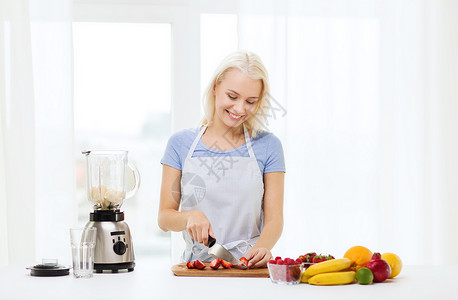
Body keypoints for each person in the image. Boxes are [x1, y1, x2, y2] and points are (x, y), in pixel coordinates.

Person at [158, 50, 285, 268]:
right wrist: (189, 217)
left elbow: (274, 220)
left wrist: (261, 249)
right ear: (215, 87)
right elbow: (164, 218)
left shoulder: (269, 146)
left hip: (247, 268)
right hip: (196, 270)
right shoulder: (180, 144)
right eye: (233, 97)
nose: (239, 109)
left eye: (250, 101)